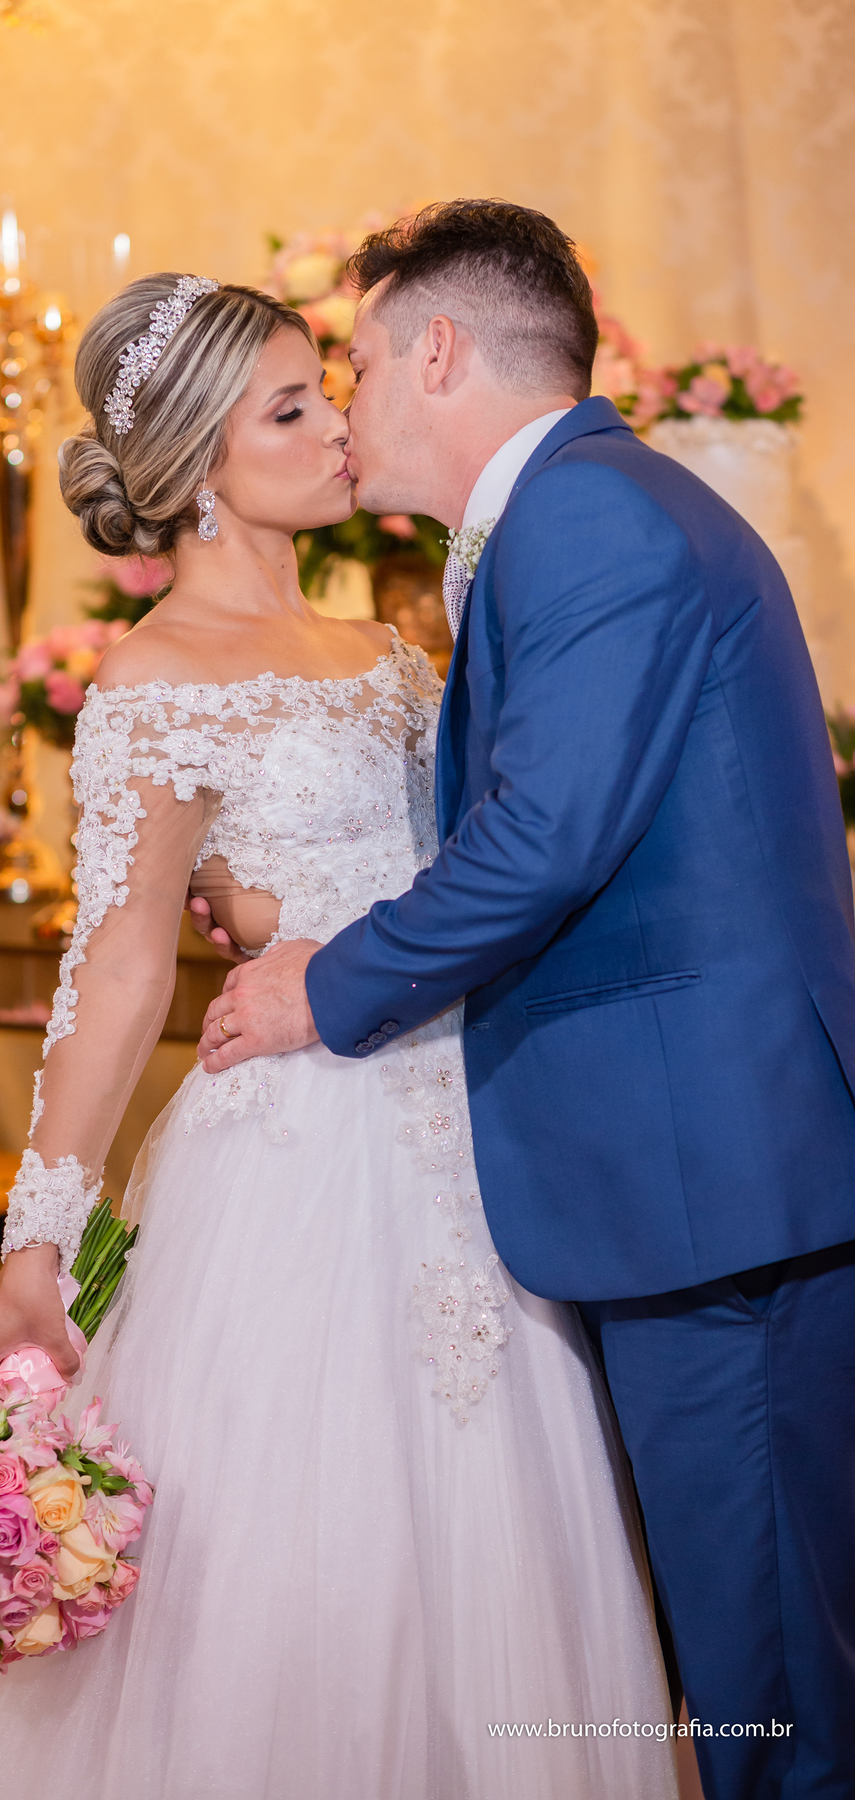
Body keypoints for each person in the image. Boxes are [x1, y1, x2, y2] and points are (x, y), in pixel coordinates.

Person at [0, 271, 677, 1800]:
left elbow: (481, 872)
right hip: (296, 1160)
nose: (339, 428)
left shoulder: (390, 650)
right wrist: (37, 1243)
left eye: (328, 392)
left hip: (475, 1142)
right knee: (301, 1551)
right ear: (194, 471)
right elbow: (115, 971)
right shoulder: (154, 683)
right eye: (290, 410)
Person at [196, 201, 855, 1800]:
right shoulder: (579, 511)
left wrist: (320, 989)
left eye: (356, 365)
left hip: (714, 1186)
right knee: (750, 1657)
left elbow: (545, 840)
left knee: (774, 1680)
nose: (345, 408)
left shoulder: (587, 520)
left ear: (437, 350)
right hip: (689, 1172)